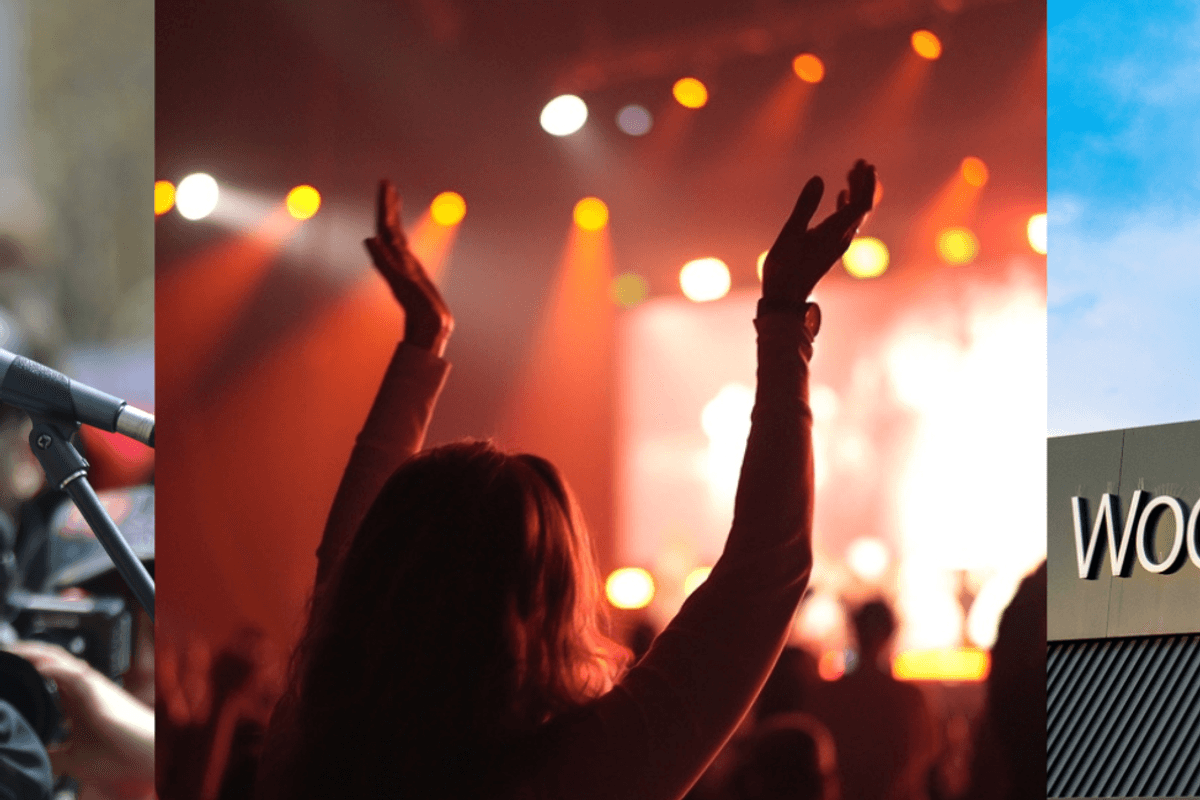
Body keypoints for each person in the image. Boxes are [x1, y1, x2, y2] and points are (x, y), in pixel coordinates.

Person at [256, 160, 876, 800]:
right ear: (541, 599)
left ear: (376, 576)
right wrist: (783, 316)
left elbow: (347, 559)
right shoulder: (580, 772)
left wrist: (423, 344)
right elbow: (764, 569)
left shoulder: (308, 746)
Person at [809, 600, 937, 800]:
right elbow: (927, 755)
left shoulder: (825, 696)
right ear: (889, 634)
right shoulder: (909, 698)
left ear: (855, 630)